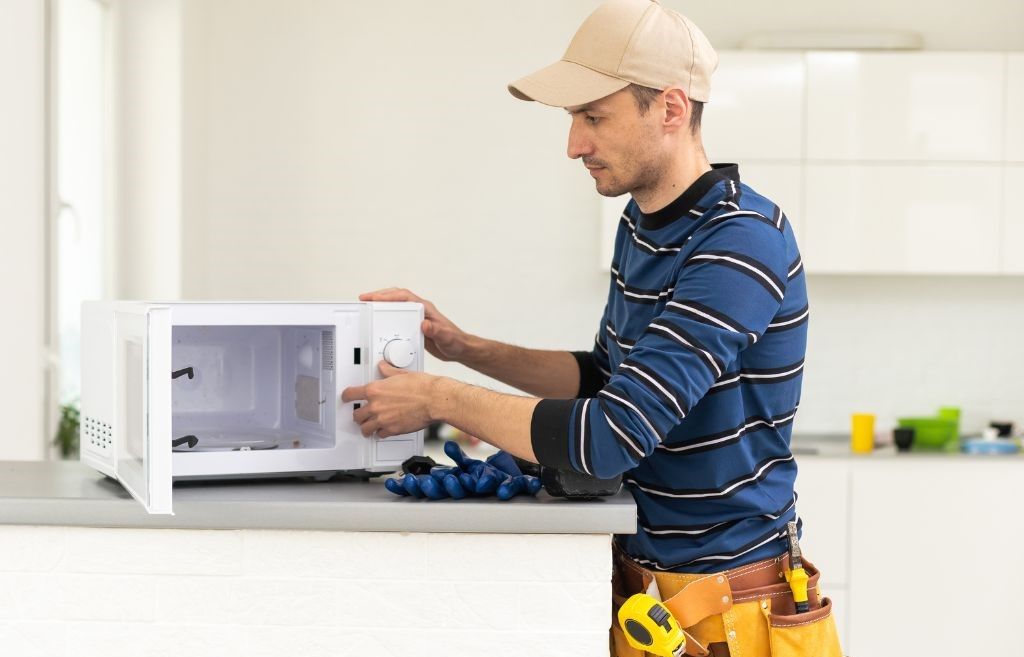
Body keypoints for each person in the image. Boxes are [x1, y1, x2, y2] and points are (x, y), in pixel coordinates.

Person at [341, 1, 842, 655]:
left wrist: (438, 397)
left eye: (594, 116)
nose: (574, 143)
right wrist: (464, 348)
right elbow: (603, 379)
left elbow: (609, 437)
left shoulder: (739, 243)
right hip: (652, 601)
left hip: (730, 611)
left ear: (669, 108)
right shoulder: (642, 224)